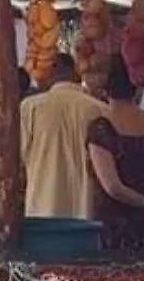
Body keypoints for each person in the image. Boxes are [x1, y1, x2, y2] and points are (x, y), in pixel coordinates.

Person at [86, 56, 144, 252]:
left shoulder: (101, 128)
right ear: (138, 86)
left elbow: (113, 187)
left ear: (105, 87)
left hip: (114, 231)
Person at [19, 54, 105, 220]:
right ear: (76, 74)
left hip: (41, 212)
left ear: (49, 74)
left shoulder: (30, 107)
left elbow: (17, 159)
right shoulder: (99, 109)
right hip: (86, 214)